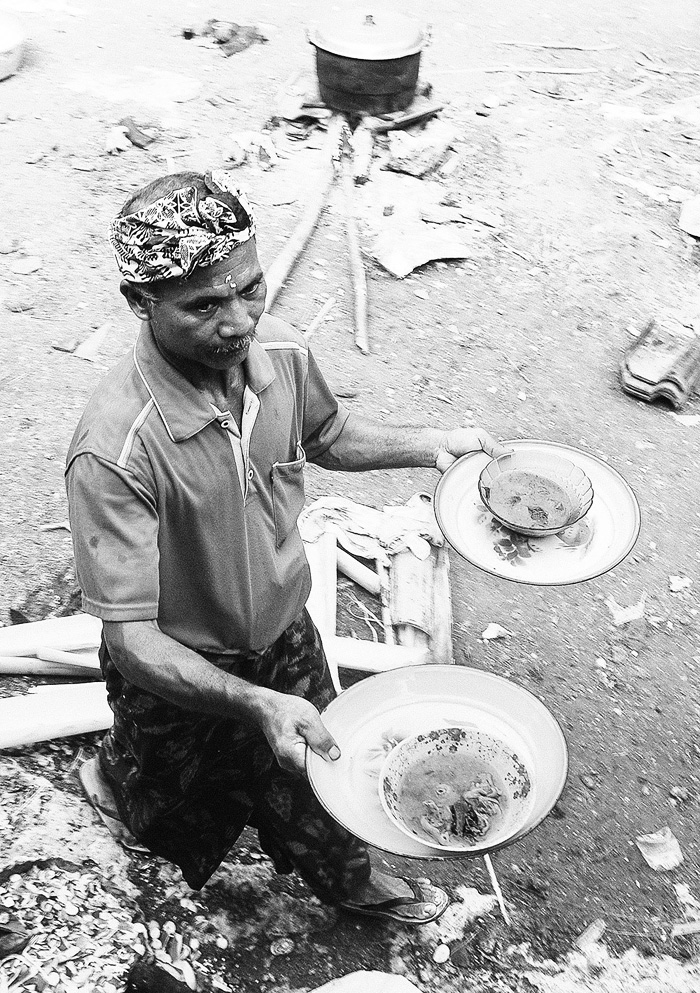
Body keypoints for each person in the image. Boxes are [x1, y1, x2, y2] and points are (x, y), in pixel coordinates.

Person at [66, 170, 506, 925]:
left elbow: (328, 434)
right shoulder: (115, 452)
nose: (238, 322)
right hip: (177, 665)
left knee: (324, 771)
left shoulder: (279, 352)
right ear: (140, 303)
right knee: (170, 798)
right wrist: (248, 701)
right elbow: (131, 636)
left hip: (285, 634)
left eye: (250, 288)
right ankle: (117, 785)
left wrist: (438, 447)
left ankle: (349, 881)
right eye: (204, 305)